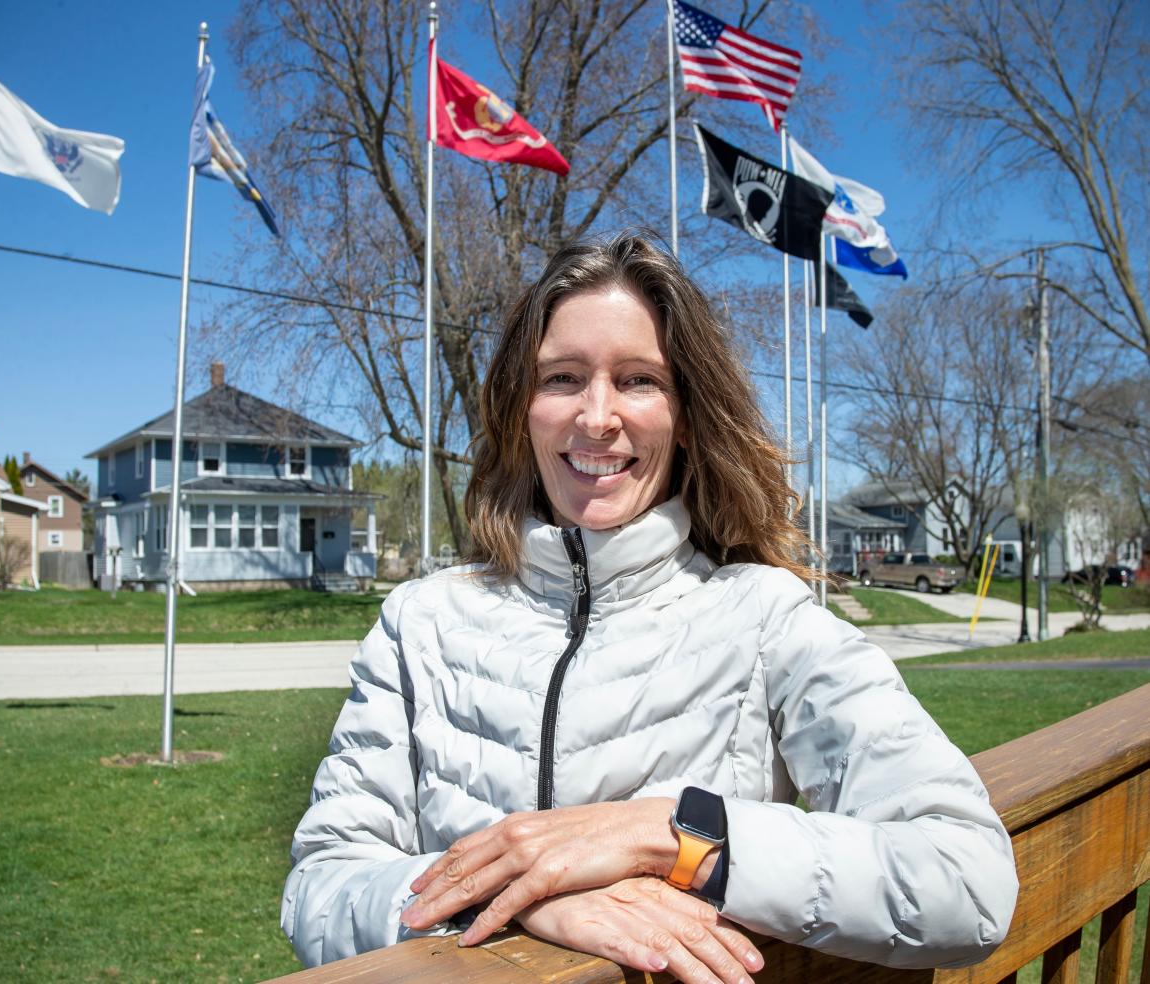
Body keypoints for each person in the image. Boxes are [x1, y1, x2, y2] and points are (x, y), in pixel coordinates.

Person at [282, 233, 1018, 982]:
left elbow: (966, 880)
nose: (597, 417)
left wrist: (666, 835)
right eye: (563, 378)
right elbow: (320, 885)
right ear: (520, 409)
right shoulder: (421, 623)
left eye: (638, 380)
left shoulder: (766, 618)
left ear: (687, 414)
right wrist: (521, 894)